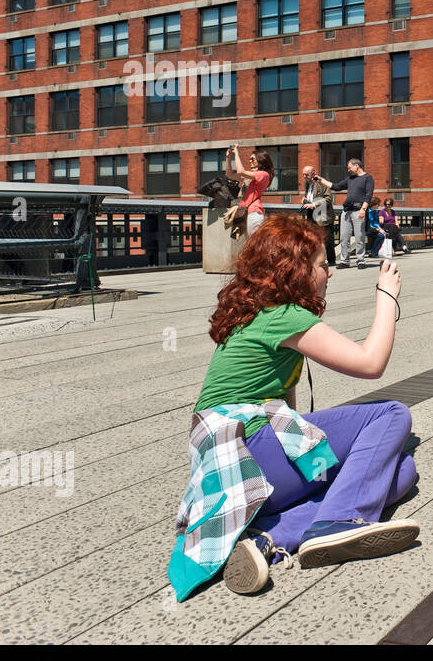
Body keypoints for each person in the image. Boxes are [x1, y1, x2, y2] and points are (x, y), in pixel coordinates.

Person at [167, 215, 419, 601]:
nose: (329, 273)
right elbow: (370, 364)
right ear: (296, 272)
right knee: (391, 414)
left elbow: (285, 407)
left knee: (400, 471)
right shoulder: (283, 316)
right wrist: (387, 296)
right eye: (321, 264)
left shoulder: (254, 313)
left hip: (239, 471)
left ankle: (267, 537)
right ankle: (336, 523)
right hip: (250, 456)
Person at [315, 158, 374, 269]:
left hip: (358, 210)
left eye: (349, 167)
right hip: (346, 211)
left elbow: (368, 195)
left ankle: (361, 260)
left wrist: (363, 209)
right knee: (344, 237)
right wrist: (321, 180)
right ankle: (345, 261)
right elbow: (336, 187)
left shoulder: (368, 178)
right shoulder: (350, 179)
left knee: (359, 236)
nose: (348, 170)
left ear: (357, 165)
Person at [226, 146, 272, 239]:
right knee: (250, 245)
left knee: (254, 244)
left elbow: (240, 171)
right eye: (249, 159)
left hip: (254, 212)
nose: (250, 161)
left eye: (252, 159)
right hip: (245, 213)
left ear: (261, 160)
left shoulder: (264, 174)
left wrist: (237, 154)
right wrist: (228, 158)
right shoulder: (251, 176)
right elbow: (230, 174)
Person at [300, 166, 336, 265]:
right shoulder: (307, 183)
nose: (304, 176)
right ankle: (317, 259)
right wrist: (305, 199)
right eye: (303, 174)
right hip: (311, 213)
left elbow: (328, 199)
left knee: (327, 239)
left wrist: (314, 204)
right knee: (312, 237)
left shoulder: (321, 182)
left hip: (323, 214)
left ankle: (331, 261)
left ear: (313, 173)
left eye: (306, 174)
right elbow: (311, 195)